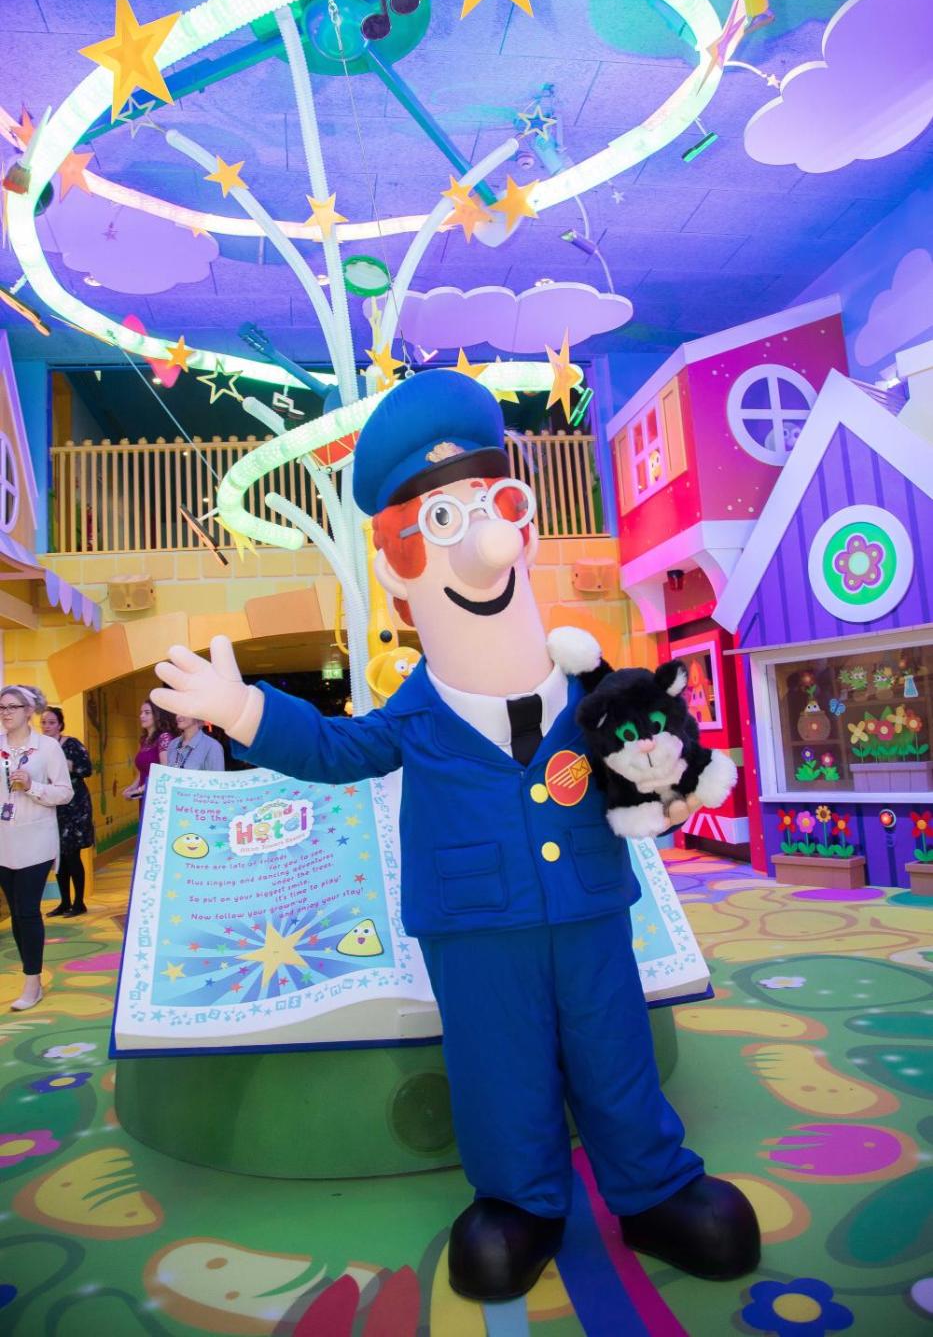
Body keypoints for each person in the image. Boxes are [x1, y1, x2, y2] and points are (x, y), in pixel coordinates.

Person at [153, 372, 759, 1302]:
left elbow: (648, 747)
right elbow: (335, 749)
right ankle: (520, 1202)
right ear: (399, 568)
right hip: (473, 926)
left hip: (589, 908)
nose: (484, 541)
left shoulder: (590, 693)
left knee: (615, 1048)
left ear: (523, 526)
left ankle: (654, 1189)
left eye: (495, 506)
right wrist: (243, 711)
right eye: (442, 521)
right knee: (496, 1065)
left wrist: (672, 778)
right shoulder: (413, 715)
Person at [0, 684, 73, 1011]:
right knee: (17, 911)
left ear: (29, 711)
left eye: (12, 707)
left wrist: (32, 786)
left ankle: (32, 981)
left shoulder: (47, 747)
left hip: (37, 841)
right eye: (1, 707)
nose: (5, 713)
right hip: (4, 840)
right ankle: (32, 976)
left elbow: (65, 792)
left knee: (28, 909)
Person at [40, 707, 95, 918]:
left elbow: (87, 769)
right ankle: (64, 902)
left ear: (60, 725)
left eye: (51, 722)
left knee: (72, 854)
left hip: (75, 806)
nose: (47, 726)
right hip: (52, 806)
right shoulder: (40, 748)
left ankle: (79, 902)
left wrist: (68, 766)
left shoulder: (71, 744)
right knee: (58, 855)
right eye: (44, 722)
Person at [122, 700, 175, 803]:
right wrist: (132, 788)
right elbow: (142, 772)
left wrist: (142, 789)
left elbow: (165, 771)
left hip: (157, 795)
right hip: (144, 793)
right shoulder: (144, 740)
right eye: (141, 712)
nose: (141, 716)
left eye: (147, 713)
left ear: (157, 716)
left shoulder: (164, 738)